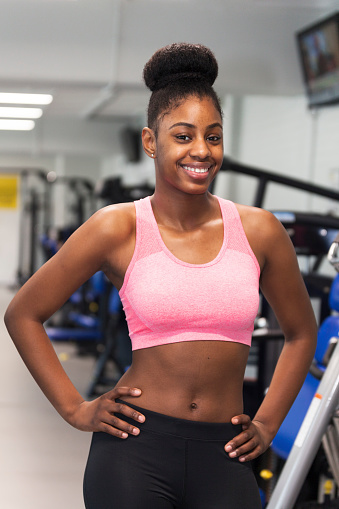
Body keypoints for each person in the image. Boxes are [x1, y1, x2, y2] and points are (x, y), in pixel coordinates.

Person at [4, 43, 317, 509]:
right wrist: (75, 408)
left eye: (213, 136)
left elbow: (300, 333)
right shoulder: (118, 226)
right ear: (151, 141)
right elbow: (23, 313)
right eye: (184, 135)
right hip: (136, 450)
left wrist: (268, 422)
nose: (201, 151)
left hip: (225, 451)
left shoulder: (260, 230)